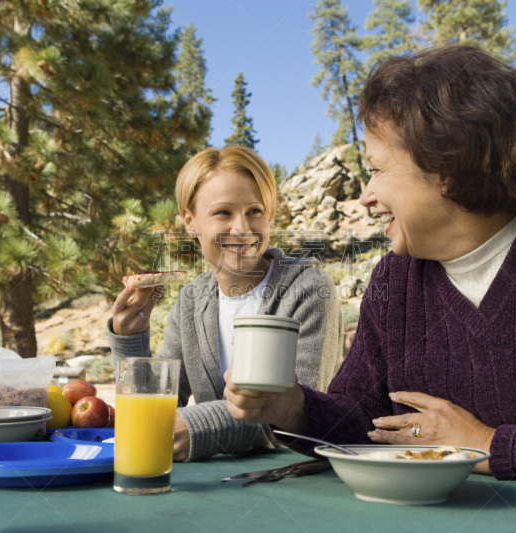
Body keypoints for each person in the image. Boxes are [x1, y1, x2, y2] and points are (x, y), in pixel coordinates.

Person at [224, 45, 516, 496]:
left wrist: (484, 444)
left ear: (447, 168)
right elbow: (366, 423)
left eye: (377, 169)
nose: (366, 196)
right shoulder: (395, 280)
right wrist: (293, 409)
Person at [108, 145, 343, 462]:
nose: (242, 229)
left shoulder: (308, 289)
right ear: (191, 222)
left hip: (297, 479)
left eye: (254, 212)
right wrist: (129, 340)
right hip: (215, 487)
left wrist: (201, 427)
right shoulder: (191, 302)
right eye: (223, 213)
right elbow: (157, 407)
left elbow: (300, 413)